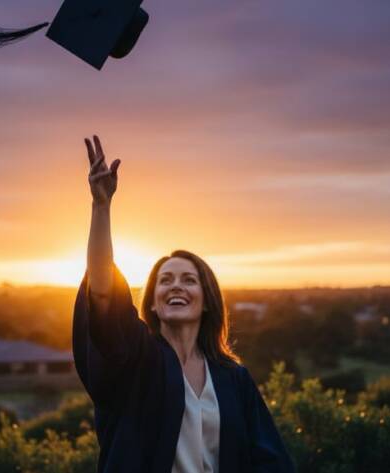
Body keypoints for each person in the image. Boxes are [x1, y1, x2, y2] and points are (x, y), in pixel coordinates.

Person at [74, 135, 296, 473]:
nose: (176, 286)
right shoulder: (136, 362)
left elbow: (270, 461)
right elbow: (103, 295)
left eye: (188, 280)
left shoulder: (233, 379)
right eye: (165, 280)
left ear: (207, 301)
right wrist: (101, 208)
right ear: (152, 302)